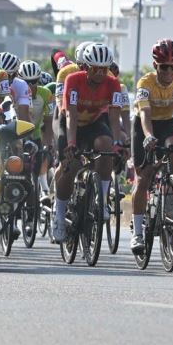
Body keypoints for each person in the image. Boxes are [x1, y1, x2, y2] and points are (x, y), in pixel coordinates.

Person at [52, 41, 127, 243]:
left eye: (104, 69)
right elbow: (70, 115)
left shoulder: (113, 83)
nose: (101, 74)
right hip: (71, 123)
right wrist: (71, 143)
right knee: (71, 165)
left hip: (94, 122)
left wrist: (117, 143)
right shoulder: (73, 79)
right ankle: (59, 214)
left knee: (106, 145)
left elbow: (114, 116)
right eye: (95, 69)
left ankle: (101, 199)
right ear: (85, 67)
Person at [130, 39, 173, 256]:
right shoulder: (145, 83)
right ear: (155, 65)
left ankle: (171, 191)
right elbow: (145, 114)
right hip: (144, 125)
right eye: (163, 67)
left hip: (166, 123)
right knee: (144, 177)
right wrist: (148, 136)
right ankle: (138, 232)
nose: (168, 72)